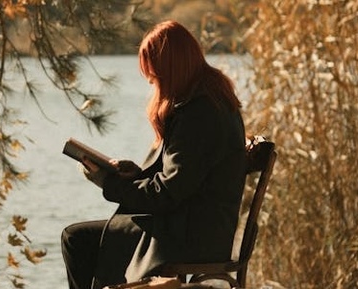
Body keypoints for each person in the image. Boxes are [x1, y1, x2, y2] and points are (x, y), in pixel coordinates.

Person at [61, 20, 248, 289]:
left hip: (190, 235)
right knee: (83, 237)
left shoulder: (200, 114)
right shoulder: (207, 101)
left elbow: (167, 193)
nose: (153, 84)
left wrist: (109, 183)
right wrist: (135, 175)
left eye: (155, 76)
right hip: (198, 227)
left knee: (77, 239)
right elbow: (183, 179)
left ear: (171, 71)